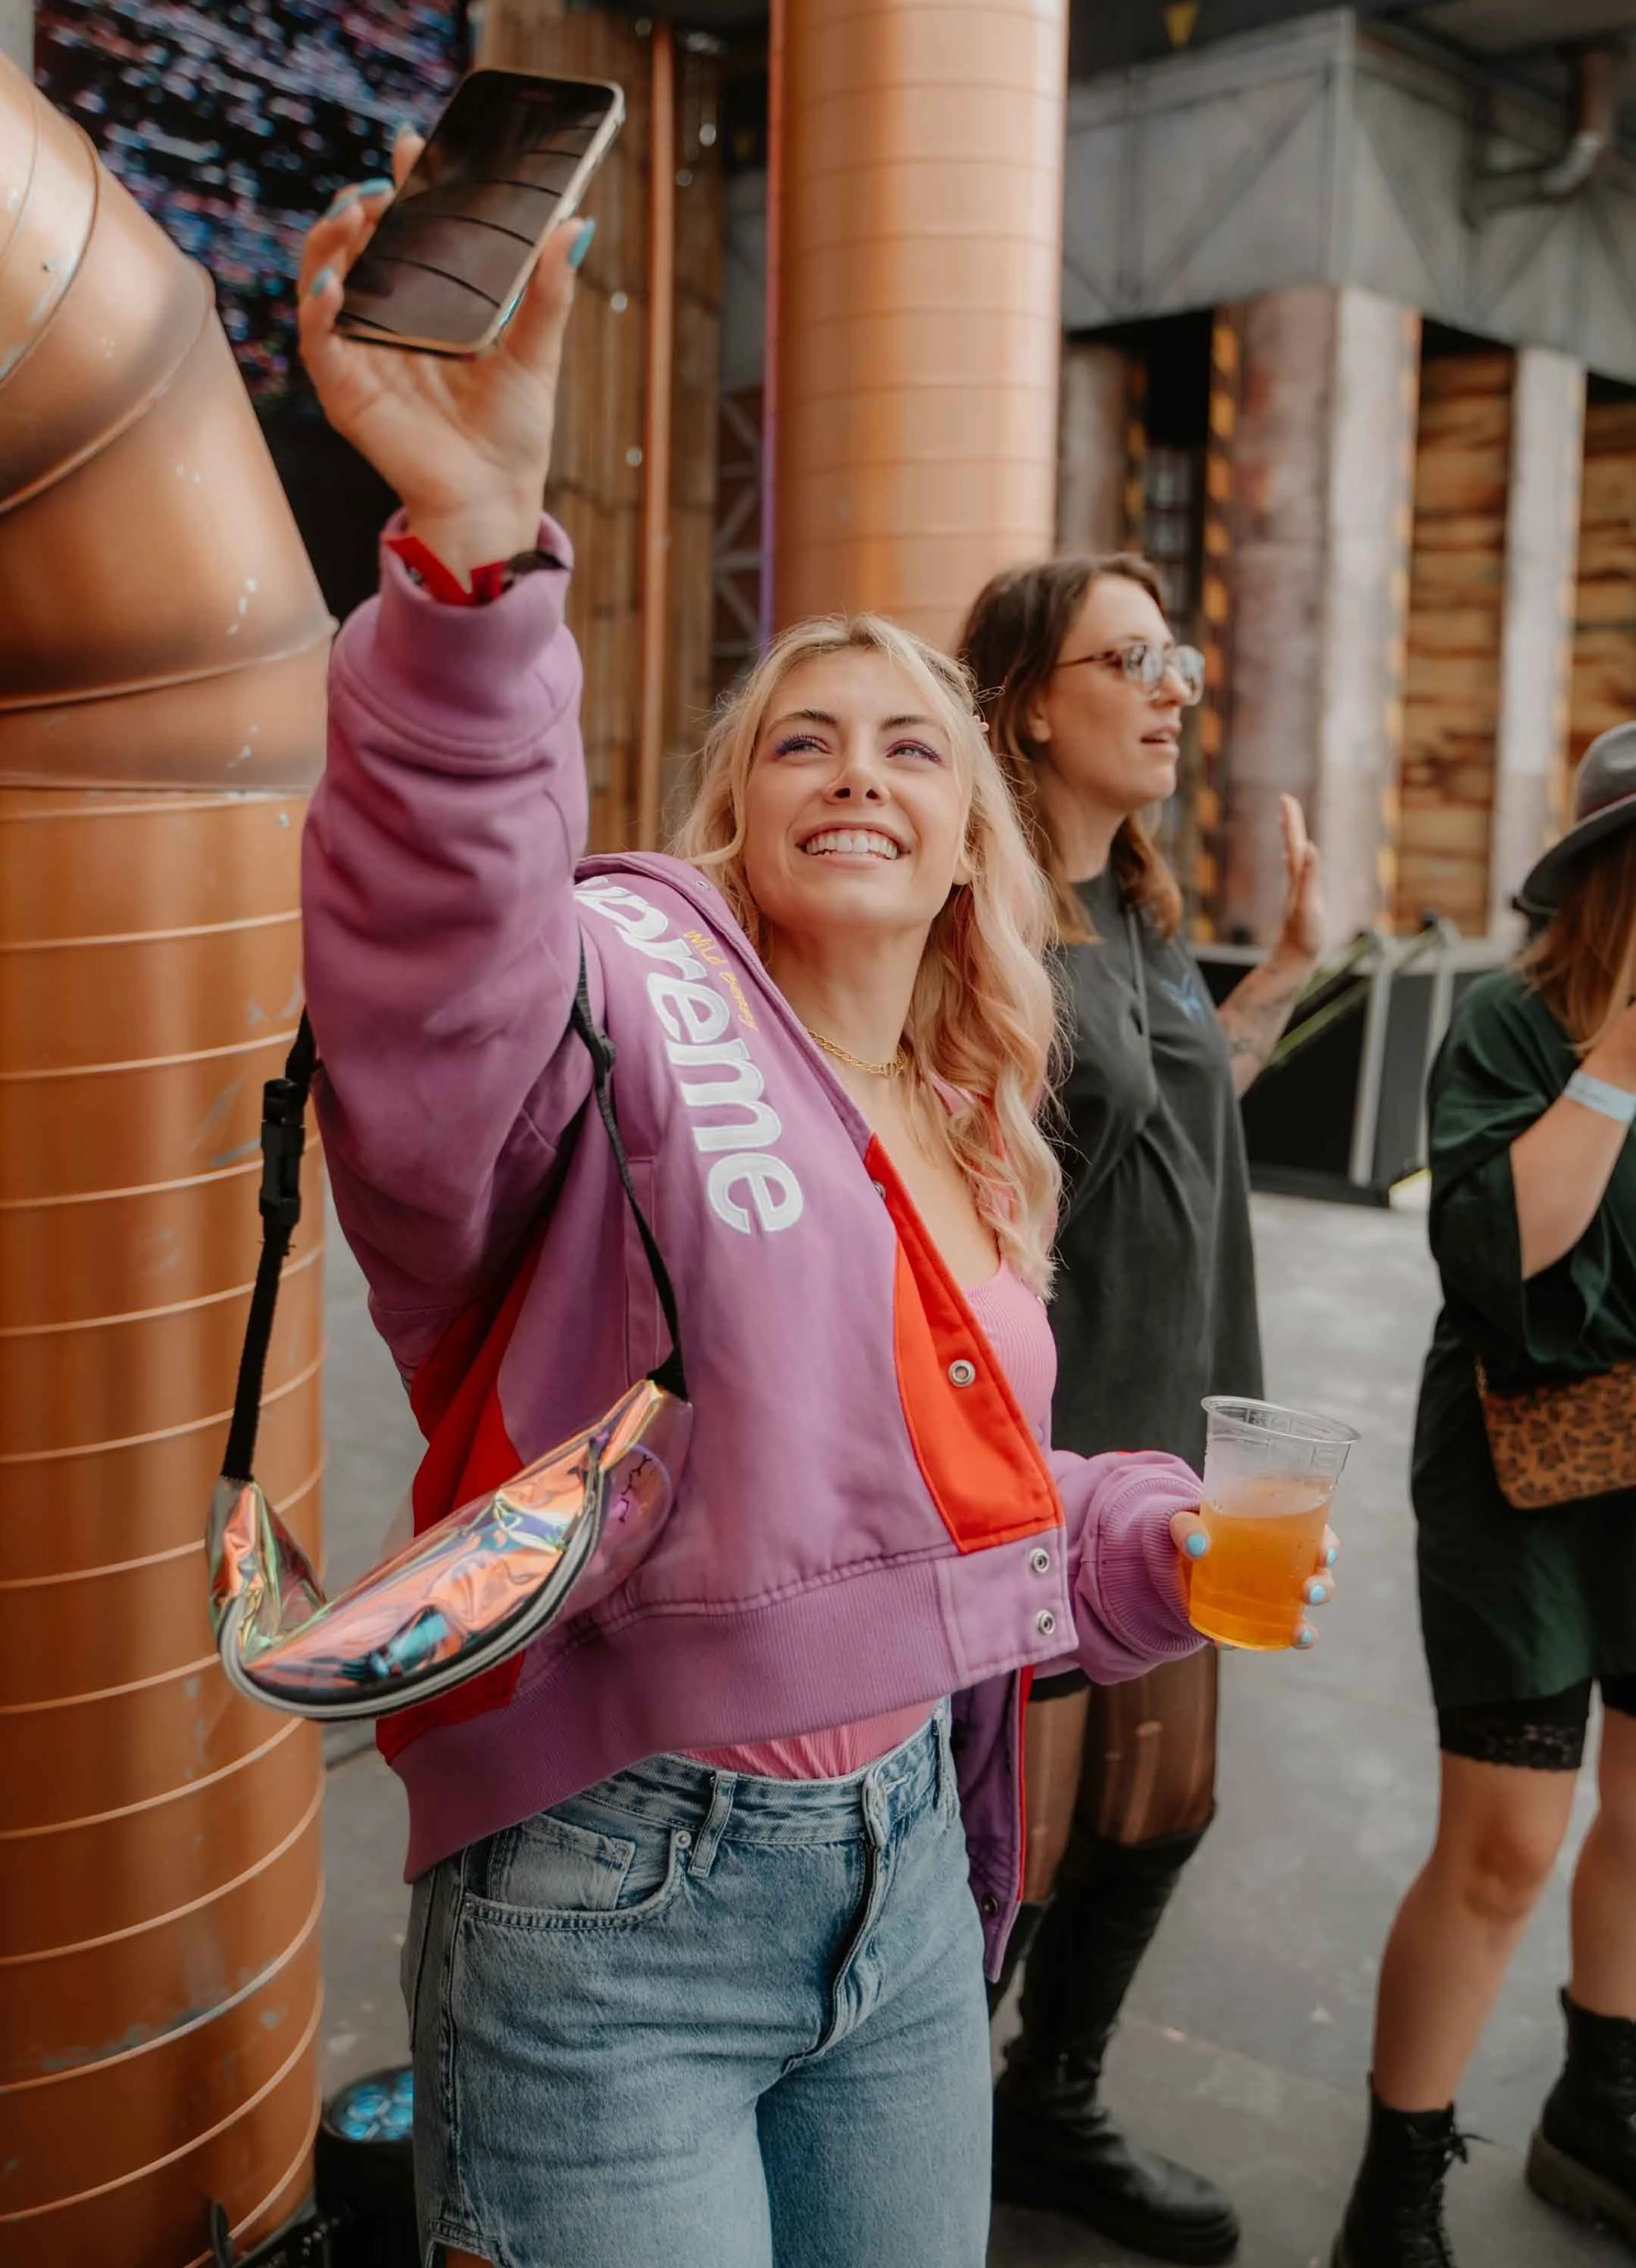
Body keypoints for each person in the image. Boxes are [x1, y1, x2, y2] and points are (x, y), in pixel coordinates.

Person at [290, 147, 1320, 2268]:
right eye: (800, 745)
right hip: (611, 1892)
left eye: (912, 750)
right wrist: (480, 557)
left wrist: (1134, 1533)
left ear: (969, 849)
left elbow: (943, 1477)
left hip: (916, 1882)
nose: (859, 768)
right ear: (738, 823)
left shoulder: (974, 1114)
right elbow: (435, 973)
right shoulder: (614, 997)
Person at [961, 555, 1331, 2263]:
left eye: (1178, 654)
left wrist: (1272, 996)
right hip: (1058, 1453)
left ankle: (1053, 2109)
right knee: (1010, 1851)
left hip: (1205, 1423)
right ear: (1034, 699)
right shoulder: (983, 918)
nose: (1177, 685)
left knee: (1166, 1805)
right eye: (1135, 658)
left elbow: (1165, 1113)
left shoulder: (1138, 914)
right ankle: (915, 2126)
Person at [1332, 723, 1636, 2268]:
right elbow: (1504, 1249)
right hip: (1527, 1474)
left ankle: (1602, 2110)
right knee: (1507, 1843)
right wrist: (1627, 1061)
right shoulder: (1511, 1030)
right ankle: (1395, 2196)